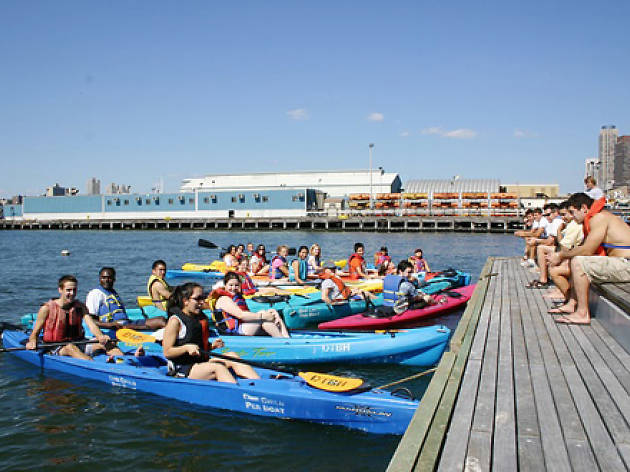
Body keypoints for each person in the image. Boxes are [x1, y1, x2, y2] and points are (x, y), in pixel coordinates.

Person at [548, 192, 630, 324]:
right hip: (621, 263)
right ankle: (572, 303)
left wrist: (560, 255)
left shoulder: (599, 218)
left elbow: (587, 250)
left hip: (626, 264)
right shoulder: (595, 219)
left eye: (573, 212)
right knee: (574, 260)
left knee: (579, 262)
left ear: (584, 208)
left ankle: (582, 313)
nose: (573, 217)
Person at [162, 283, 260, 382]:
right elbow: (167, 352)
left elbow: (196, 345)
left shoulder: (198, 318)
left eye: (203, 298)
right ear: (185, 301)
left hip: (200, 363)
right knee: (218, 368)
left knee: (232, 356)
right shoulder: (175, 321)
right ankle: (239, 393)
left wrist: (211, 346)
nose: (202, 302)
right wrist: (186, 348)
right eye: (198, 298)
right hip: (182, 368)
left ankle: (260, 384)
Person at [26, 275, 121, 360]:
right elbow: (35, 333)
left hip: (79, 342)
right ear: (60, 290)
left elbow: (91, 324)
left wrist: (100, 336)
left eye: (74, 290)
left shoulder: (80, 307)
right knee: (70, 347)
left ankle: (125, 363)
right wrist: (32, 342)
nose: (72, 293)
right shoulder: (46, 309)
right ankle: (92, 365)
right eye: (68, 290)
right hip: (57, 347)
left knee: (108, 344)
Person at [210, 272, 290, 337]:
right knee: (265, 321)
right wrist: (263, 316)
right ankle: (282, 341)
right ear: (225, 285)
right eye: (230, 285)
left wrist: (265, 314)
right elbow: (241, 315)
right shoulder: (224, 299)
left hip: (243, 326)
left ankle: (286, 338)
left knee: (272, 312)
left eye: (236, 285)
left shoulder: (237, 297)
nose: (233, 288)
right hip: (234, 331)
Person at [87, 267, 167, 330]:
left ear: (114, 279)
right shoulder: (95, 294)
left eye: (109, 278)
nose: (106, 280)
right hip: (116, 327)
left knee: (162, 319)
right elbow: (90, 320)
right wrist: (110, 325)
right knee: (160, 322)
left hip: (127, 323)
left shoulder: (112, 293)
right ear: (99, 279)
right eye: (103, 278)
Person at [379, 261, 446, 314]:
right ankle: (438, 304)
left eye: (411, 272)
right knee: (427, 298)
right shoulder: (407, 284)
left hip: (387, 304)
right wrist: (423, 295)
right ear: (400, 271)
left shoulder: (389, 278)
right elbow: (417, 296)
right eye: (408, 272)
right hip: (400, 309)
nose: (410, 274)